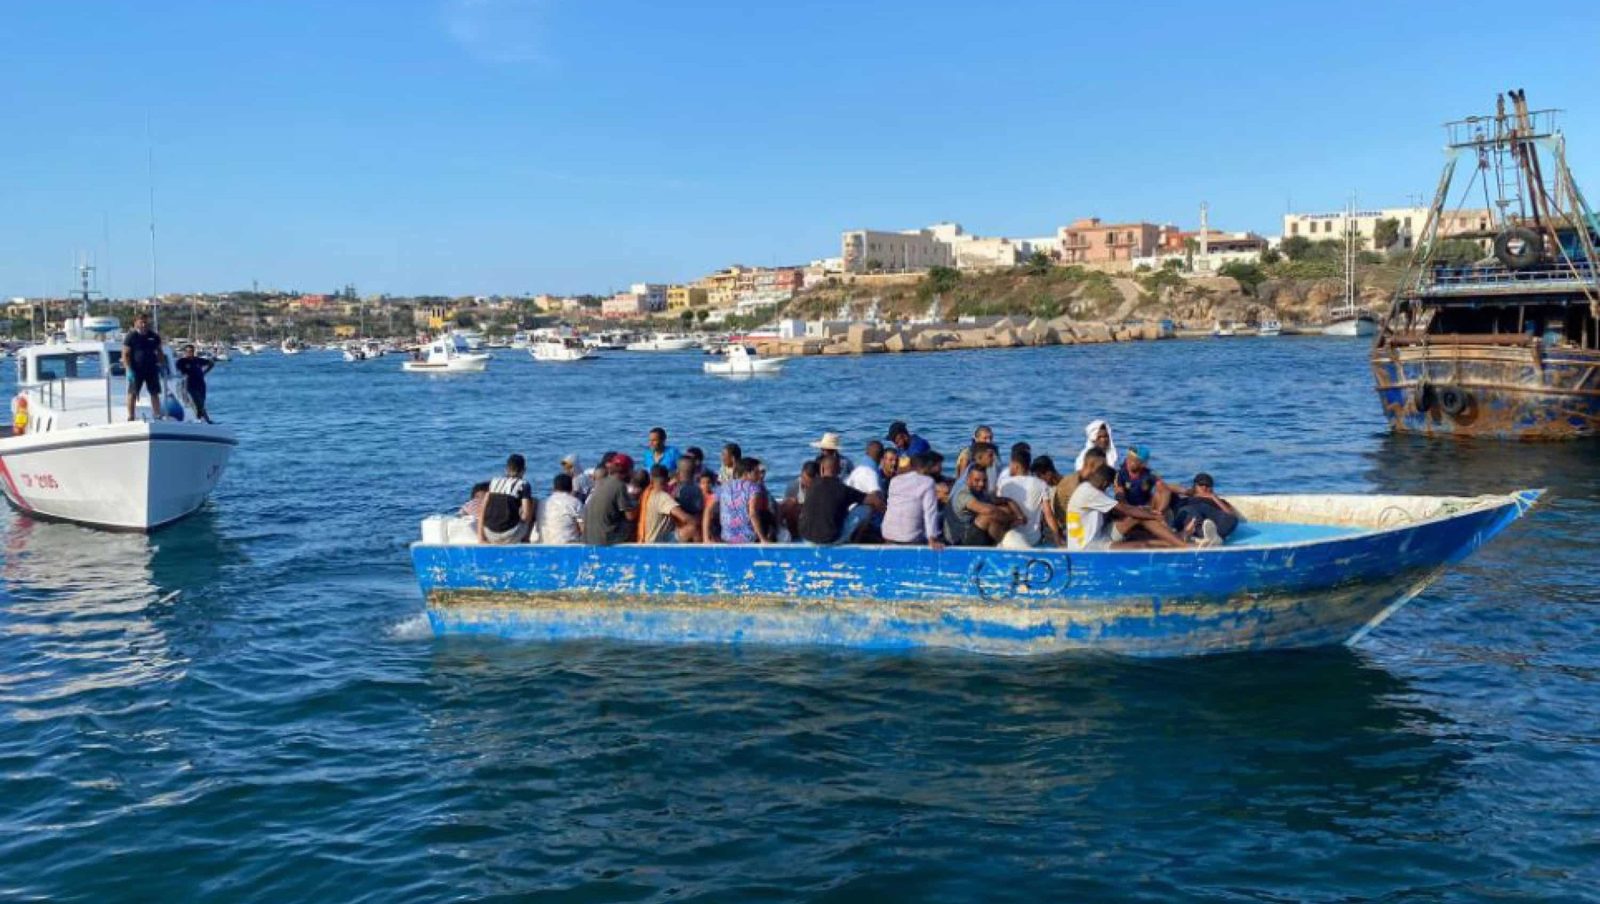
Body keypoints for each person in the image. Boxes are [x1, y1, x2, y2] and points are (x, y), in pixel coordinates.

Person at [1067, 464, 1188, 550]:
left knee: (1140, 518)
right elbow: (1126, 509)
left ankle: (1177, 541)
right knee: (1141, 545)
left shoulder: (1087, 488)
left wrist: (1145, 512)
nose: (1107, 489)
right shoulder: (1091, 493)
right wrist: (1154, 516)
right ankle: (1183, 545)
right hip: (1088, 546)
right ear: (1104, 483)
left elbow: (1119, 512)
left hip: (1101, 534)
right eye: (1108, 486)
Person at [799, 456, 882, 544]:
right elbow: (873, 500)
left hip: (806, 538)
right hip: (831, 539)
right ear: (839, 470)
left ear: (821, 469)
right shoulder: (844, 489)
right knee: (866, 508)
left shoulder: (811, 486)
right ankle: (856, 540)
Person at [946, 465, 1023, 547]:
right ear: (968, 479)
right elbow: (989, 511)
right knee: (987, 517)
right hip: (959, 539)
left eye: (984, 480)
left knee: (1004, 509)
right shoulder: (963, 494)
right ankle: (1003, 544)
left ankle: (1002, 543)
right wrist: (1013, 519)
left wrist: (1019, 515)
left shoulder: (980, 491)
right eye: (977, 480)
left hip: (973, 532)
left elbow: (1004, 500)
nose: (981, 484)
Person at [881, 452, 945, 549]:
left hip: (888, 535)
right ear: (928, 467)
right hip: (910, 538)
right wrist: (932, 539)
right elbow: (930, 512)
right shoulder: (928, 482)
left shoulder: (895, 480)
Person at [995, 446, 1055, 548]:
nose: (1009, 467)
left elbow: (998, 511)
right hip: (1033, 539)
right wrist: (1057, 535)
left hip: (1011, 539)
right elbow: (1048, 515)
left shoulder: (1003, 484)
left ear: (1016, 466)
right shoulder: (1041, 484)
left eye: (1010, 464)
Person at [705, 457, 770, 544]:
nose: (759, 475)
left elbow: (708, 510)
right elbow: (753, 513)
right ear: (747, 473)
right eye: (756, 472)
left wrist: (706, 538)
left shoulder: (724, 487)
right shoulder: (754, 488)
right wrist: (763, 539)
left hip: (726, 537)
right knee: (767, 516)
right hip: (748, 538)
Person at [1166, 473, 1237, 547]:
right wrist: (1188, 492)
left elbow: (1231, 514)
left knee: (1232, 519)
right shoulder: (1185, 500)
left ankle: (1214, 536)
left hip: (1210, 522)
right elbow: (1166, 487)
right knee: (1190, 510)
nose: (1204, 487)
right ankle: (1206, 536)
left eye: (1208, 485)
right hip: (1190, 518)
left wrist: (1214, 498)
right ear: (1195, 486)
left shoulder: (1217, 500)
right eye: (1201, 485)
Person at [478, 454, 536, 544]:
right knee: (533, 502)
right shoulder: (523, 484)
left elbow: (483, 510)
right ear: (524, 470)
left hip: (489, 534)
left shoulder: (494, 482)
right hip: (510, 536)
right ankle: (525, 539)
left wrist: (481, 538)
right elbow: (526, 515)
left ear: (506, 469)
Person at [583, 453, 636, 545]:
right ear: (628, 470)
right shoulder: (620, 485)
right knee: (633, 522)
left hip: (588, 537)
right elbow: (630, 516)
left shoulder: (600, 483)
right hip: (605, 538)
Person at [122, 312, 167, 421]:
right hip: (136, 370)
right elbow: (125, 354)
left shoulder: (154, 336)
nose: (143, 325)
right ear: (136, 323)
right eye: (141, 322)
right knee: (132, 393)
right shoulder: (131, 336)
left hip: (151, 369)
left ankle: (157, 415)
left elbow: (159, 351)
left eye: (145, 322)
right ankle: (131, 416)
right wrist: (128, 370)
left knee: (154, 393)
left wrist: (161, 365)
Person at [640, 465, 698, 542]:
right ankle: (700, 553)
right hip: (657, 542)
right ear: (667, 479)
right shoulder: (663, 497)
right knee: (693, 528)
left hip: (647, 538)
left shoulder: (647, 493)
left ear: (651, 479)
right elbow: (684, 518)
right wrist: (697, 521)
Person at [1114, 445, 1173, 515]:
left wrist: (1160, 510)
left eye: (1133, 460)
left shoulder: (1149, 474)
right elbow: (1119, 493)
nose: (1128, 462)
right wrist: (1130, 509)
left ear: (1142, 464)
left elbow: (1166, 490)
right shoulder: (1121, 473)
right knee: (1120, 496)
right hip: (1128, 507)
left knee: (1160, 489)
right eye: (1128, 458)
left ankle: (1158, 514)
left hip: (1146, 507)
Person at [538, 473, 584, 544]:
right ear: (571, 488)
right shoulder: (575, 503)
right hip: (568, 544)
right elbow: (583, 527)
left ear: (554, 488)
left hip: (545, 543)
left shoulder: (542, 502)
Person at [174, 344, 215, 423]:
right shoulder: (182, 361)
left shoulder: (198, 360)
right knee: (197, 403)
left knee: (201, 403)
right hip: (189, 385)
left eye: (191, 351)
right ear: (185, 352)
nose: (190, 353)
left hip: (201, 385)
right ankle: (207, 420)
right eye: (188, 351)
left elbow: (211, 363)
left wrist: (204, 372)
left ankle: (199, 419)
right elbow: (178, 370)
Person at [780, 460, 819, 538]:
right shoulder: (793, 486)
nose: (805, 482)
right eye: (803, 478)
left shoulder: (821, 485)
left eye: (809, 482)